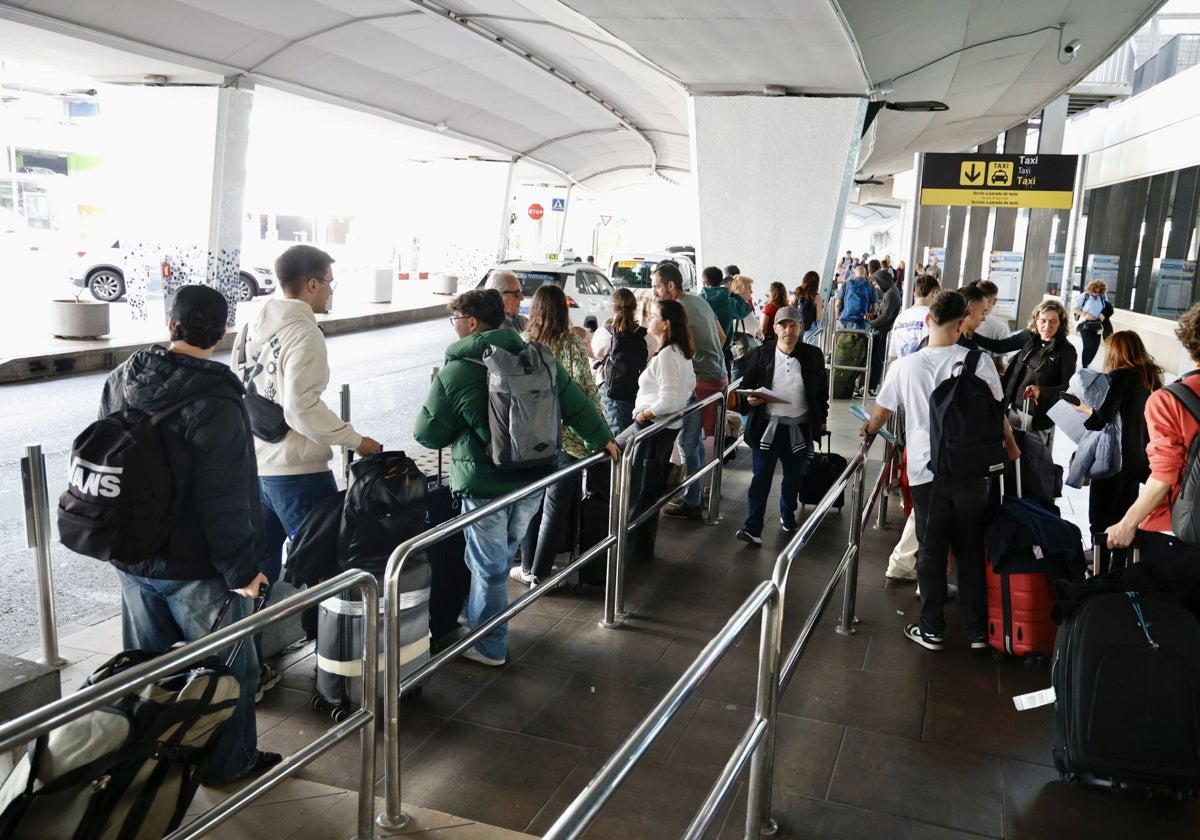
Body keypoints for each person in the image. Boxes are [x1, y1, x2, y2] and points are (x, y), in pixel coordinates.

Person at [102, 284, 279, 784]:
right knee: (229, 672)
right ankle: (228, 763)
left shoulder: (122, 378)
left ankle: (150, 766)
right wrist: (243, 571)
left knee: (148, 672)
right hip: (195, 566)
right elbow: (224, 499)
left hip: (134, 556)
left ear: (171, 325)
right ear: (222, 331)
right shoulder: (217, 398)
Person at [414, 289, 617, 665]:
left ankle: (489, 644)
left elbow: (426, 434)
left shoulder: (458, 370)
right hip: (533, 478)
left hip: (485, 485)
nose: (454, 327)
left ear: (471, 323)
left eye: (455, 319)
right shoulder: (537, 357)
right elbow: (575, 405)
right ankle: (481, 618)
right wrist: (603, 440)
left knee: (490, 567)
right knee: (501, 556)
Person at [234, 244, 382, 694]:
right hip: (298, 471)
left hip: (256, 468)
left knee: (254, 575)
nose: (332, 290)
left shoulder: (251, 325)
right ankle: (334, 670)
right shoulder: (305, 333)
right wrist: (357, 440)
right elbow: (300, 408)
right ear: (312, 283)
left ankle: (245, 669)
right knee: (329, 570)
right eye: (330, 282)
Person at [860, 292, 1019, 652]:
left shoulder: (905, 366)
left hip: (925, 470)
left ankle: (931, 628)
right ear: (963, 323)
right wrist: (1010, 446)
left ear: (929, 320)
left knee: (931, 549)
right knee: (969, 549)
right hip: (971, 469)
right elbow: (997, 413)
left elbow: (881, 414)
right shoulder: (979, 362)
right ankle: (978, 631)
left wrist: (868, 432)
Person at [1107, 304, 1200, 616]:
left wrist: (1127, 523)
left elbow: (1164, 474)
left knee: (1172, 632)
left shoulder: (1169, 400)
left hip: (1177, 535)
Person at [512, 284, 607, 586]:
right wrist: (600, 428)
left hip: (530, 438)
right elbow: (586, 389)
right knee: (555, 506)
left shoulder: (522, 342)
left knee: (531, 503)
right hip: (567, 437)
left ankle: (527, 566)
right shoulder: (572, 342)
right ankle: (540, 574)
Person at [735, 306, 828, 545]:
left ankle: (787, 514)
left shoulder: (813, 355)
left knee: (794, 476)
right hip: (767, 427)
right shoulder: (762, 354)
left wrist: (822, 418)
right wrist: (751, 399)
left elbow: (821, 392)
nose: (788, 330)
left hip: (799, 427)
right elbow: (747, 387)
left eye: (793, 325)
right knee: (760, 477)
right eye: (783, 325)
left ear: (801, 328)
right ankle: (752, 525)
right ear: (775, 328)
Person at [1073, 331, 1162, 571]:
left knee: (1100, 520)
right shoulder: (1152, 378)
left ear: (1116, 352)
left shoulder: (1119, 378)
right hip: (1139, 461)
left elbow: (1101, 419)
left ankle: (1100, 571)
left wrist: (1085, 410)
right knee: (1125, 518)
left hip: (1114, 460)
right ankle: (1120, 570)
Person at [653, 260, 728, 521]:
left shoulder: (677, 311)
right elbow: (722, 338)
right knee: (693, 442)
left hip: (700, 383)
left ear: (670, 285)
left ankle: (692, 501)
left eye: (657, 287)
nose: (655, 293)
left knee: (688, 442)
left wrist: (688, 367)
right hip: (717, 377)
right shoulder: (700, 300)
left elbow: (671, 350)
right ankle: (694, 494)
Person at [973, 300, 1076, 449]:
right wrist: (971, 335)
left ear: (1061, 323)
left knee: (1034, 460)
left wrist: (1042, 391)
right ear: (1036, 320)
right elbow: (1000, 346)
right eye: (1043, 321)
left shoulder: (1066, 350)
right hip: (1014, 409)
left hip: (1039, 418)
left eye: (1053, 321)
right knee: (1011, 456)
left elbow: (1068, 388)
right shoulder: (1029, 336)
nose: (1047, 326)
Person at [619, 298, 697, 458]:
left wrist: (644, 415)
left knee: (638, 475)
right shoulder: (680, 351)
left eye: (654, 316)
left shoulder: (667, 355)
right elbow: (691, 383)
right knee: (645, 471)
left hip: (653, 424)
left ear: (666, 324)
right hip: (663, 425)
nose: (649, 319)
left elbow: (669, 400)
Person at [592, 287, 657, 434]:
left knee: (616, 439)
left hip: (610, 392)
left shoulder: (603, 333)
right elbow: (648, 359)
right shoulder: (647, 337)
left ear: (611, 307)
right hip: (637, 391)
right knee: (634, 435)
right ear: (635, 307)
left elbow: (596, 359)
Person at [700, 264, 752, 373]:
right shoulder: (729, 302)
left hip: (701, 356)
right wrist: (732, 293)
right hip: (723, 354)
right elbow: (746, 309)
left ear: (704, 282)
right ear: (721, 281)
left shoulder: (698, 301)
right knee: (724, 387)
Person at [863, 268, 901, 395]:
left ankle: (872, 386)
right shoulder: (890, 292)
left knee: (876, 360)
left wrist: (872, 323)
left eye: (876, 284)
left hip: (882, 331)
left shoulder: (891, 294)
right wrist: (873, 317)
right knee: (875, 360)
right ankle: (870, 386)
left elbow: (886, 315)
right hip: (880, 330)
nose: (876, 287)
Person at [887, 274, 939, 362]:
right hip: (924, 371)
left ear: (915, 294)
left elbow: (892, 357)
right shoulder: (935, 317)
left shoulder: (900, 318)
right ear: (934, 293)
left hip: (901, 371)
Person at [1072, 279, 1113, 369]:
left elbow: (1106, 308)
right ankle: (1084, 366)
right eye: (1094, 291)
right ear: (1091, 289)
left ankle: (1088, 362)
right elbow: (1074, 309)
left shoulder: (1102, 297)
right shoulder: (1084, 296)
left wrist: (1103, 314)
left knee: (1095, 346)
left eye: (1098, 292)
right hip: (1085, 324)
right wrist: (1085, 314)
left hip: (1097, 325)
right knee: (1088, 344)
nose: (1096, 294)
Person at [834, 264, 877, 331]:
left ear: (854, 273)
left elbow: (837, 304)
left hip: (845, 323)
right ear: (865, 274)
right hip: (863, 324)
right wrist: (868, 317)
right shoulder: (871, 286)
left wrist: (837, 317)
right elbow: (874, 308)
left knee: (845, 341)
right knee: (861, 341)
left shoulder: (846, 284)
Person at [793, 271, 824, 346]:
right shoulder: (816, 297)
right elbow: (819, 317)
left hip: (796, 327)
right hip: (810, 328)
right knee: (809, 352)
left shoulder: (797, 293)